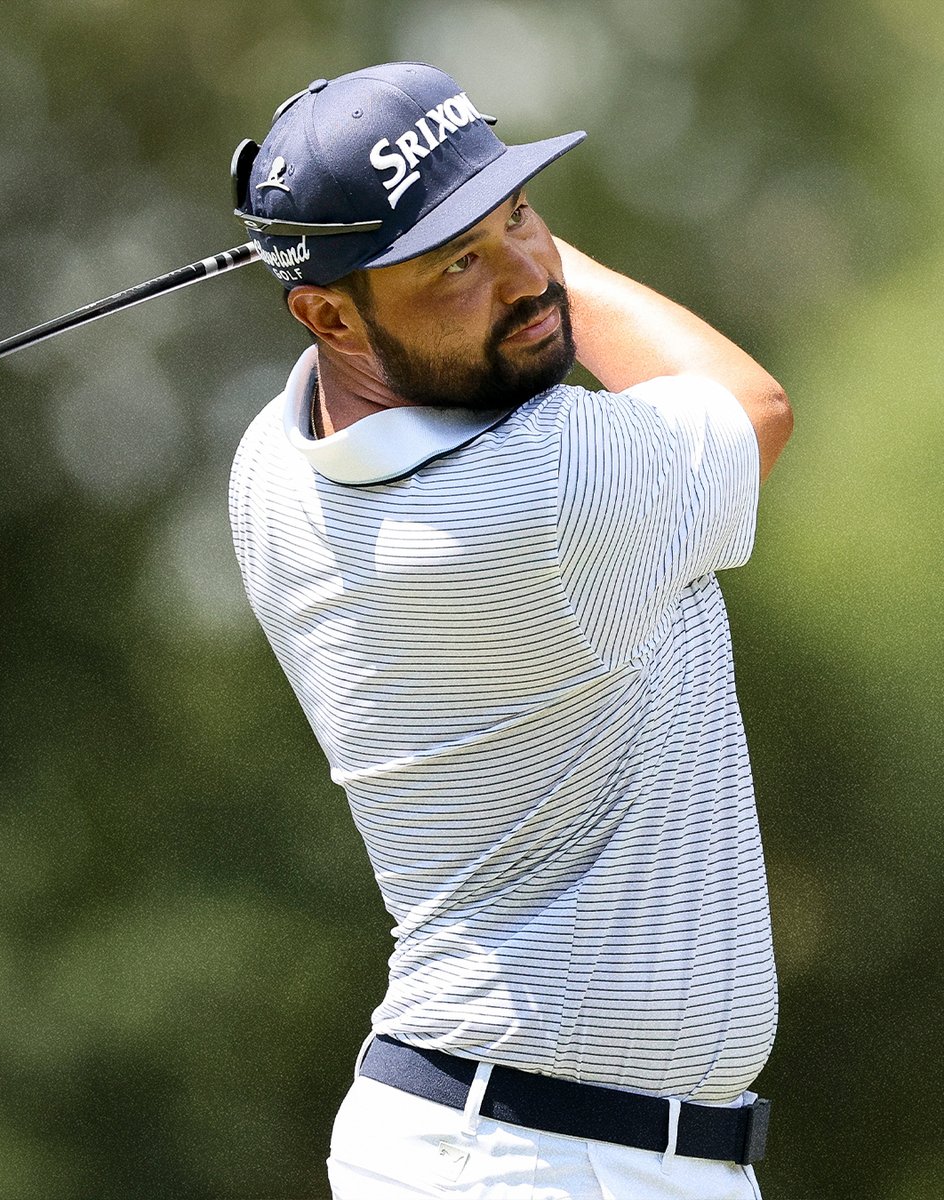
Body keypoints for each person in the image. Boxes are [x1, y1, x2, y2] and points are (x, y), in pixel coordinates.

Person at [228, 62, 793, 1200]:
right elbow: (752, 404)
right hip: (541, 1160)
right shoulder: (543, 496)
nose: (529, 278)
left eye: (522, 216)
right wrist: (517, 231)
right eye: (460, 263)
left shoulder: (269, 466)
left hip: (510, 1140)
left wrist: (440, 219)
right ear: (329, 311)